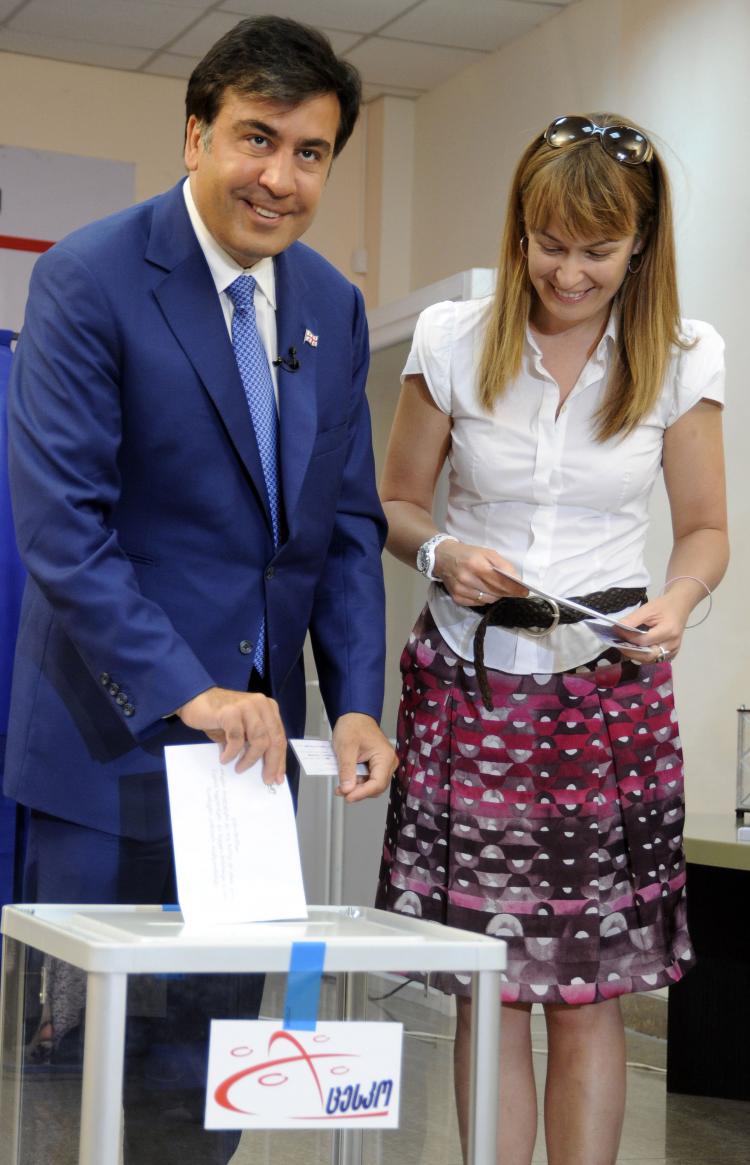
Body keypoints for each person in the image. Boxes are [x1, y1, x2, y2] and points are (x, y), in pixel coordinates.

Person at [6, 15, 394, 1163]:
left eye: (311, 152)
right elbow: (63, 531)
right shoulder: (90, 275)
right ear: (194, 133)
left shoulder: (329, 303)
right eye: (255, 138)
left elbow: (344, 525)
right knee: (79, 1085)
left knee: (212, 1078)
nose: (279, 178)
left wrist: (357, 695)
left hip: (251, 773)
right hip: (107, 752)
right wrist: (190, 688)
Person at [375, 113, 728, 1165]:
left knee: (590, 992)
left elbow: (708, 528)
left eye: (597, 251)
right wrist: (440, 551)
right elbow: (393, 501)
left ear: (641, 244)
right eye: (548, 244)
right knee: (491, 988)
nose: (568, 273)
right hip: (473, 696)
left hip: (605, 700)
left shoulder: (682, 353)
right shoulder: (449, 338)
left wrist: (680, 596)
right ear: (518, 232)